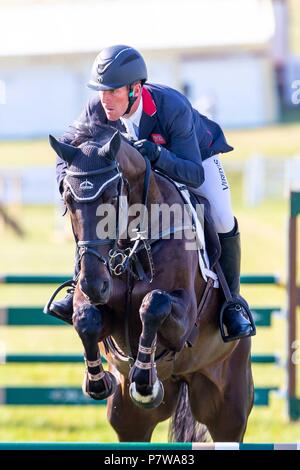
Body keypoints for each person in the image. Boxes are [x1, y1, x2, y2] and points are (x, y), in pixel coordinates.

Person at [51, 44, 254, 342]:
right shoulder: (96, 109)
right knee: (91, 204)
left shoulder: (172, 106)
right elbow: (66, 151)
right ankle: (77, 286)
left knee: (222, 217)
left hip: (193, 158)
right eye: (101, 90)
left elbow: (193, 173)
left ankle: (231, 302)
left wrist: (158, 155)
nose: (105, 99)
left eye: (114, 91)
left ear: (135, 89)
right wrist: (65, 186)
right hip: (140, 174)